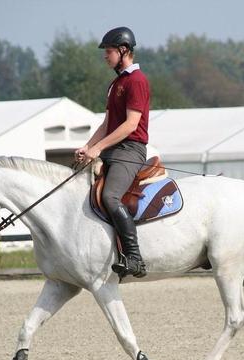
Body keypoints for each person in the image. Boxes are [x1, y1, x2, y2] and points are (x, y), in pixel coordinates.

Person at [75, 26, 150, 278]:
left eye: (108, 51)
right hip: (113, 149)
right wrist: (88, 147)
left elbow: (130, 125)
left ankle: (134, 258)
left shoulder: (137, 81)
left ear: (123, 50)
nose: (105, 56)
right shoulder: (116, 83)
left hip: (131, 149)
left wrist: (98, 147)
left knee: (110, 197)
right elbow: (107, 124)